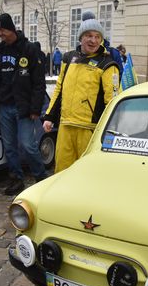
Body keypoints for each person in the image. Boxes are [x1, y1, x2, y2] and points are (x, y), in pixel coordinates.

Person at [43, 11, 120, 172]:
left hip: (89, 129)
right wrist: (49, 116)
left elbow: (112, 101)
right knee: (62, 171)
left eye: (97, 37)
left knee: (87, 173)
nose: (93, 40)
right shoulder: (69, 58)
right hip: (65, 125)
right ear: (81, 37)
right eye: (89, 36)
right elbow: (59, 89)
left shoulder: (107, 64)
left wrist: (111, 130)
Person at [0, 13, 47, 196]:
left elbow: (39, 83)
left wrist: (35, 108)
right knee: (9, 146)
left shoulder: (29, 49)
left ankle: (41, 178)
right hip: (3, 107)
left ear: (10, 28)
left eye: (2, 30)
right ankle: (16, 179)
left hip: (23, 107)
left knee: (28, 145)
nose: (0, 34)